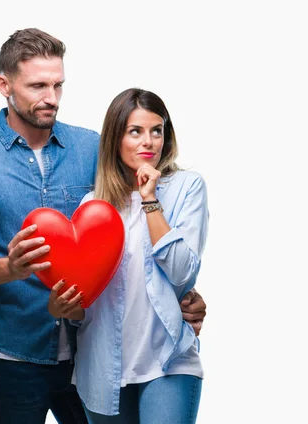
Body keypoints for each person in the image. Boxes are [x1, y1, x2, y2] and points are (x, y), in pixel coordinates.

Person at [0, 28, 207, 424]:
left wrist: (182, 295)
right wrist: (8, 268)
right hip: (14, 354)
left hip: (92, 355)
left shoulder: (92, 148)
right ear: (3, 85)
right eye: (38, 86)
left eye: (58, 85)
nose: (51, 98)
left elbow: (132, 233)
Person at [48, 88, 209, 423]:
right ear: (115, 139)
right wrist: (63, 309)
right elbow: (87, 302)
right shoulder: (93, 207)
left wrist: (150, 200)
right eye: (135, 131)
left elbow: (182, 273)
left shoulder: (186, 188)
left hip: (168, 361)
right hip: (103, 366)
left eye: (156, 131)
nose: (147, 142)